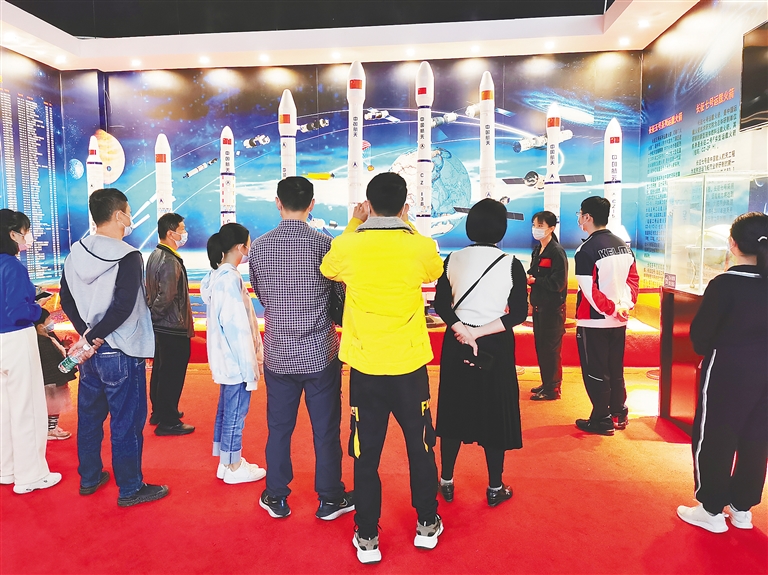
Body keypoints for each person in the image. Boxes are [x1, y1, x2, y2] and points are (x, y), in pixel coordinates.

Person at [320, 172, 444, 564]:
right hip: (410, 367)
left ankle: (368, 535)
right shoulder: (420, 245)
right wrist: (405, 224)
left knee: (365, 454)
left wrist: (356, 222)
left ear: (368, 204)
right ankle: (427, 523)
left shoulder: (348, 245)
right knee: (421, 447)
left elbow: (328, 268)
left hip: (366, 368)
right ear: (405, 206)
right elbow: (434, 270)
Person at [249, 176, 352, 520]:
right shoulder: (325, 245)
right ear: (312, 205)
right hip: (320, 352)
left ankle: (276, 495)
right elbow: (339, 296)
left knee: (279, 429)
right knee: (326, 430)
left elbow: (262, 295)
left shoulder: (260, 247)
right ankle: (330, 498)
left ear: (278, 203)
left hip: (278, 353)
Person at [60, 188, 168, 506]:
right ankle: (130, 488)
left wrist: (87, 336)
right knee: (127, 421)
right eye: (129, 211)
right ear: (119, 214)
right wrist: (97, 335)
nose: (130, 217)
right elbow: (123, 306)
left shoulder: (74, 253)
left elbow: (66, 299)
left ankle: (90, 477)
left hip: (90, 352)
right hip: (122, 349)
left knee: (89, 418)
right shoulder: (128, 255)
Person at [432, 198, 528, 508]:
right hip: (495, 343)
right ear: (501, 228)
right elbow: (518, 314)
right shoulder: (511, 263)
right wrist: (479, 332)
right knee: (495, 413)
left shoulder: (452, 259)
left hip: (457, 340)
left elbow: (441, 304)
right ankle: (495, 487)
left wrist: (464, 330)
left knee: (453, 409)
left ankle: (446, 481)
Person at [677, 212, 768, 533]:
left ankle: (711, 509)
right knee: (757, 437)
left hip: (728, 369)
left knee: (715, 434)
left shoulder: (725, 283)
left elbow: (700, 336)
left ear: (733, 243)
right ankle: (742, 508)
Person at [0, 209, 62, 493]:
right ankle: (31, 475)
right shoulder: (12, 267)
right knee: (28, 408)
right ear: (12, 234)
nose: (27, 237)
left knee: (4, 409)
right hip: (16, 339)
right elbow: (18, 311)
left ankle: (7, 469)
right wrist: (39, 310)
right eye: (25, 232)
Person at [200, 222, 266, 485]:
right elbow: (238, 329)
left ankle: (226, 462)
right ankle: (233, 465)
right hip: (236, 361)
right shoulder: (229, 279)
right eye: (248, 244)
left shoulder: (218, 276)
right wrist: (251, 367)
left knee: (227, 411)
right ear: (240, 247)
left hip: (227, 359)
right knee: (235, 413)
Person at [573, 196, 639, 436]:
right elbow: (633, 280)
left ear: (587, 217)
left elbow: (588, 290)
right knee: (615, 368)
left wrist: (611, 308)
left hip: (594, 321)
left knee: (596, 371)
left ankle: (601, 419)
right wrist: (624, 306)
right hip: (619, 319)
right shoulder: (623, 245)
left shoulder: (585, 250)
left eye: (580, 214)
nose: (579, 219)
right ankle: (618, 412)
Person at [146, 212, 195, 436]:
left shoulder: (156, 255)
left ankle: (160, 411)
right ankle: (169, 420)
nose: (184, 233)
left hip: (163, 326)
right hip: (173, 326)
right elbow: (166, 296)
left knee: (161, 370)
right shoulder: (169, 260)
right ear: (170, 232)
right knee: (172, 374)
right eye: (182, 229)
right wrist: (155, 316)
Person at [527, 210, 568, 401]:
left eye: (540, 226)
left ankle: (553, 389)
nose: (536, 229)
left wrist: (536, 281)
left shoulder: (556, 252)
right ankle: (546, 383)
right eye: (534, 225)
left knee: (551, 350)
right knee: (542, 348)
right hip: (539, 308)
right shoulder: (538, 250)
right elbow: (533, 271)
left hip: (553, 310)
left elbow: (558, 283)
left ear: (551, 228)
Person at [33, 309, 75, 440]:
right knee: (53, 406)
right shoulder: (42, 343)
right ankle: (50, 430)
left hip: (54, 379)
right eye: (49, 320)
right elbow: (53, 361)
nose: (52, 322)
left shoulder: (47, 338)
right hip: (52, 381)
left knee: (53, 406)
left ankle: (51, 427)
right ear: (40, 326)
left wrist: (64, 346)